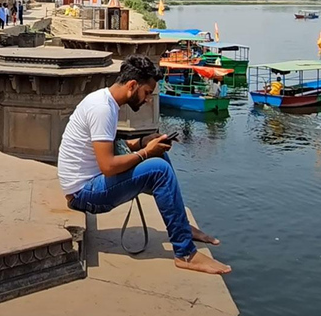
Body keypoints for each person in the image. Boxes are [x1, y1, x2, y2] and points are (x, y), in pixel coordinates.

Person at [58, 55, 231, 275]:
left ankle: (182, 226)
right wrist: (145, 153)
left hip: (88, 185)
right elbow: (108, 166)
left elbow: (111, 146)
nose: (148, 99)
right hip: (83, 194)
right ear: (132, 86)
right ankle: (185, 253)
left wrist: (143, 143)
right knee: (159, 169)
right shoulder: (103, 109)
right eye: (147, 93)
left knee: (159, 159)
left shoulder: (105, 101)